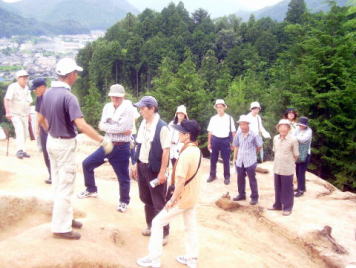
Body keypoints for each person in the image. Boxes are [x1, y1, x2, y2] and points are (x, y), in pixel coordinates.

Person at [38, 58, 113, 240]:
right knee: (66, 185)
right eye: (75, 74)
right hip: (64, 145)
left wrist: (52, 130)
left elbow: (40, 119)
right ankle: (61, 228)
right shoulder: (69, 97)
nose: (77, 76)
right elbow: (81, 125)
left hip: (52, 141)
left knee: (58, 182)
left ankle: (67, 217)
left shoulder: (47, 94)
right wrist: (103, 140)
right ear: (70, 75)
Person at [137, 120, 202, 268]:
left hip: (182, 198)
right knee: (190, 227)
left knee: (157, 222)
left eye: (181, 132)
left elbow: (180, 181)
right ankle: (192, 259)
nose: (178, 134)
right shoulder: (196, 150)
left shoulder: (186, 154)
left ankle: (154, 259)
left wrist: (171, 200)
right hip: (192, 197)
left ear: (187, 135)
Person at [77, 84, 135, 212]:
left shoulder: (129, 108)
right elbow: (101, 125)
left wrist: (112, 127)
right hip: (107, 144)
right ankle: (91, 189)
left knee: (123, 177)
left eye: (118, 97)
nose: (115, 99)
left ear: (123, 96)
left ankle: (124, 201)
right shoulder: (107, 107)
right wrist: (117, 128)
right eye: (113, 97)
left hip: (121, 147)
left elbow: (124, 128)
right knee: (87, 163)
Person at [131, 96, 170, 242]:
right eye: (140, 108)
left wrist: (162, 172)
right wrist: (135, 163)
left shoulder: (162, 127)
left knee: (159, 201)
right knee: (146, 198)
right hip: (142, 165)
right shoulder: (143, 124)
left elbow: (166, 151)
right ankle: (151, 226)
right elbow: (139, 144)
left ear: (152, 108)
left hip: (155, 168)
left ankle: (164, 233)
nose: (140, 111)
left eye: (143, 108)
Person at [269, 119, 299, 216]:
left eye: (285, 126)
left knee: (287, 189)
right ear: (278, 128)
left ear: (289, 128)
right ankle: (277, 205)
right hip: (277, 167)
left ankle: (287, 207)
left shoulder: (293, 140)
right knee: (277, 187)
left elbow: (296, 155)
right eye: (280, 126)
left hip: (287, 168)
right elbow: (275, 151)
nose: (282, 128)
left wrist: (290, 163)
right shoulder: (275, 138)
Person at [232, 115, 263, 205]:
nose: (242, 126)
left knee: (252, 179)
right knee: (240, 178)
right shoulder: (238, 134)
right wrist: (235, 158)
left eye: (244, 124)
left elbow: (259, 146)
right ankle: (241, 194)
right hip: (240, 160)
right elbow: (236, 146)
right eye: (240, 124)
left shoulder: (254, 134)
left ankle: (254, 197)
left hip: (250, 161)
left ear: (248, 124)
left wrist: (253, 154)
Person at [3, 70, 32, 159]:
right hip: (15, 114)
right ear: (18, 78)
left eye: (26, 77)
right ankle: (19, 150)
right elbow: (6, 99)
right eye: (23, 78)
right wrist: (7, 112)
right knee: (19, 130)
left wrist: (29, 114)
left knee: (25, 133)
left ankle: (23, 150)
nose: (25, 79)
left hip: (25, 114)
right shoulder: (13, 87)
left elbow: (28, 102)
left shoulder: (27, 88)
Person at [207, 99, 236, 185]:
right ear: (216, 108)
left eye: (221, 107)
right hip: (215, 140)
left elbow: (233, 132)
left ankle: (227, 177)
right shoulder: (213, 119)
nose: (219, 109)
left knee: (226, 160)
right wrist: (209, 143)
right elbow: (210, 132)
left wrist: (234, 143)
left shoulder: (229, 118)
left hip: (225, 140)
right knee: (213, 159)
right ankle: (212, 175)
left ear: (224, 107)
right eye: (218, 107)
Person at [30, 78, 51, 184]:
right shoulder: (39, 98)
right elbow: (39, 115)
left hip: (54, 129)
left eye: (35, 89)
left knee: (55, 153)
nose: (34, 91)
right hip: (45, 130)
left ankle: (59, 176)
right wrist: (39, 129)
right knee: (46, 153)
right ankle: (52, 175)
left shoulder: (51, 96)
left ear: (42, 87)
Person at [294, 117, 312, 197]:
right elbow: (294, 136)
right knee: (297, 171)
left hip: (305, 154)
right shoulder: (298, 129)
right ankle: (301, 187)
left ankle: (300, 190)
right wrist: (296, 137)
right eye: (300, 125)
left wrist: (295, 138)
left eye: (302, 125)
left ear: (306, 125)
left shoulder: (309, 131)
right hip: (298, 153)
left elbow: (302, 140)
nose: (301, 126)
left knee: (301, 172)